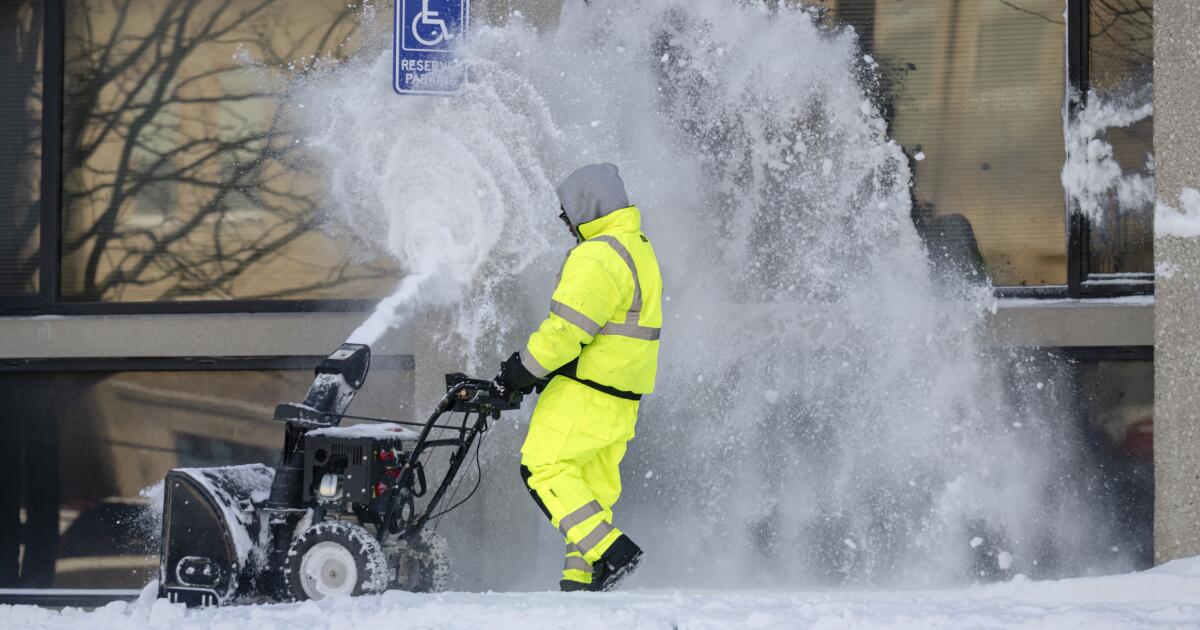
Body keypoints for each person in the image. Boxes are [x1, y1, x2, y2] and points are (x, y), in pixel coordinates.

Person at [489, 163, 663, 592]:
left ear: (586, 205)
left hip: (587, 390)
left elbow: (567, 331)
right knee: (589, 489)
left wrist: (519, 372)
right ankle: (581, 579)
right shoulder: (638, 247)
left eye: (567, 211)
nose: (564, 220)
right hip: (621, 397)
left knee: (543, 467)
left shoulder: (599, 254)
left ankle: (613, 552)